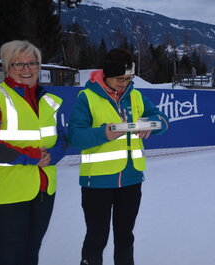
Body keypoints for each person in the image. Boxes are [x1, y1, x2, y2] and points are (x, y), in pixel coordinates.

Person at [0, 40, 67, 265]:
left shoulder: (48, 100)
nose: (26, 69)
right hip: (5, 194)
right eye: (18, 64)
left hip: (42, 192)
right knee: (8, 257)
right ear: (6, 67)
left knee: (31, 253)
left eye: (32, 63)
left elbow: (61, 137)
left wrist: (52, 154)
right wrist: (31, 156)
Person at [68, 48, 169, 265]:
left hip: (131, 178)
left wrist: (151, 125)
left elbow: (162, 120)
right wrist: (103, 133)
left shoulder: (136, 95)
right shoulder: (87, 97)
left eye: (129, 78)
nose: (125, 83)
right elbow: (75, 137)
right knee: (97, 237)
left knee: (125, 236)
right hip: (97, 182)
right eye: (119, 79)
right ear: (106, 75)